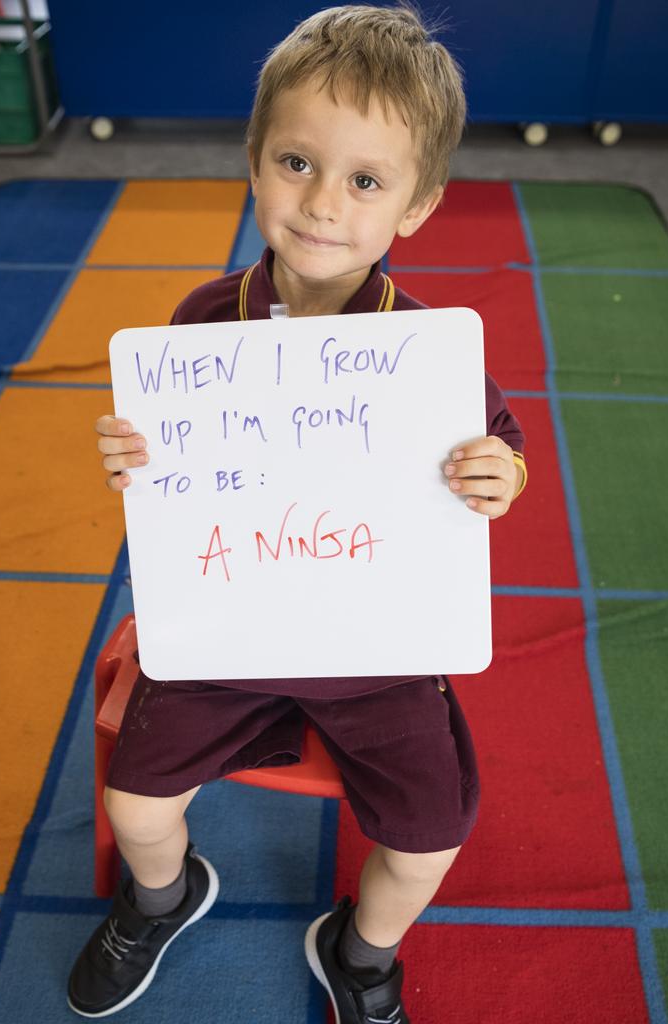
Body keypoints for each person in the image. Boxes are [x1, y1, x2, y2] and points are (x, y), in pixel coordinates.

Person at [68, 5, 527, 1022]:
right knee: (135, 803)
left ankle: (360, 951)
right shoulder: (197, 322)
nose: (323, 203)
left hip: (376, 646)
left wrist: (501, 476)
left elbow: (502, 451)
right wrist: (133, 455)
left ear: (417, 205)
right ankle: (163, 895)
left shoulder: (427, 349)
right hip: (227, 630)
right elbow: (167, 470)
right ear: (253, 159)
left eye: (366, 180)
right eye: (296, 162)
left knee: (432, 832)